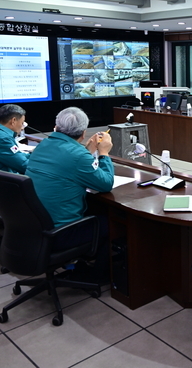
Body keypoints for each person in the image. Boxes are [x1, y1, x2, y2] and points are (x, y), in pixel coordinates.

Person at [26, 107, 114, 284]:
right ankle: (97, 276)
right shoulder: (78, 156)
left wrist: (87, 151)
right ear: (83, 133)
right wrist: (104, 153)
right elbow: (105, 184)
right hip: (60, 233)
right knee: (112, 223)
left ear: (56, 127)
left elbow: (67, 163)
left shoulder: (43, 145)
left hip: (32, 226)